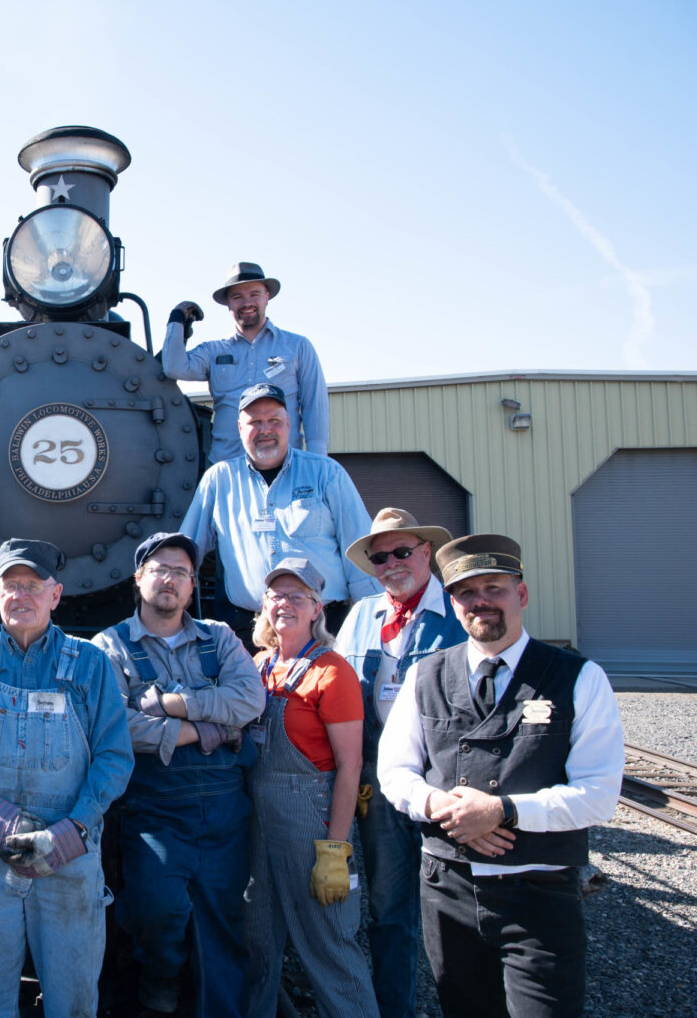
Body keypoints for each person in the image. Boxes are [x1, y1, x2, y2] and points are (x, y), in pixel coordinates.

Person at [377, 535, 624, 1018]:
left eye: (494, 587)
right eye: (467, 593)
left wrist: (503, 811)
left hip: (540, 895)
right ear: (453, 603)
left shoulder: (578, 677)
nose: (480, 602)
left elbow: (598, 794)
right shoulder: (425, 676)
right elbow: (395, 771)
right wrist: (443, 807)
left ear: (522, 595)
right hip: (449, 891)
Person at [0, 538, 134, 1018]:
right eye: (11, 586)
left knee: (74, 998)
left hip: (70, 856)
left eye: (34, 586)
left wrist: (74, 828)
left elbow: (114, 759)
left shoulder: (90, 666)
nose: (22, 595)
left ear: (55, 595)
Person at [91, 533, 265, 1016]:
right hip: (154, 809)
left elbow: (250, 700)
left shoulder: (219, 637)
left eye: (181, 573)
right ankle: (160, 975)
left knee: (222, 921)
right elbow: (115, 724)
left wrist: (172, 706)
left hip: (225, 809)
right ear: (138, 579)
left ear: (192, 587)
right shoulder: (110, 646)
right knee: (157, 907)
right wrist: (206, 731)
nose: (170, 579)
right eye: (160, 569)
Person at [333, 508, 467, 1018]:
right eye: (380, 556)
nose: (391, 563)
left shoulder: (459, 613)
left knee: (457, 902)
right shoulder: (362, 617)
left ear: (426, 553)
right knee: (390, 907)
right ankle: (397, 1008)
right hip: (380, 783)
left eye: (402, 552)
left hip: (444, 783)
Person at [242, 558, 379, 1018]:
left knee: (328, 947)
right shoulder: (258, 666)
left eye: (297, 596)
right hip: (258, 820)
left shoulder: (332, 672)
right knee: (256, 944)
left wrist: (335, 849)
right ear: (264, 606)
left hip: (310, 816)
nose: (285, 604)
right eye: (277, 595)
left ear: (317, 608)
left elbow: (350, 765)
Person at [181, 383, 377, 649]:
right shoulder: (219, 480)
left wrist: (371, 623)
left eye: (274, 420)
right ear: (240, 428)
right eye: (255, 422)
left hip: (323, 628)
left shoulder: (327, 473)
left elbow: (360, 550)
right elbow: (187, 550)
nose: (265, 430)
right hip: (249, 633)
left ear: (288, 424)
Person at [162, 262, 328, 464]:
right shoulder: (213, 351)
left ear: (267, 297)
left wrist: (318, 464)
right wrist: (176, 320)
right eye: (237, 297)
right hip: (228, 469)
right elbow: (173, 367)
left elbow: (315, 408)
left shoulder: (298, 347)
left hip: (285, 467)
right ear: (228, 305)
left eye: (254, 294)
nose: (246, 302)